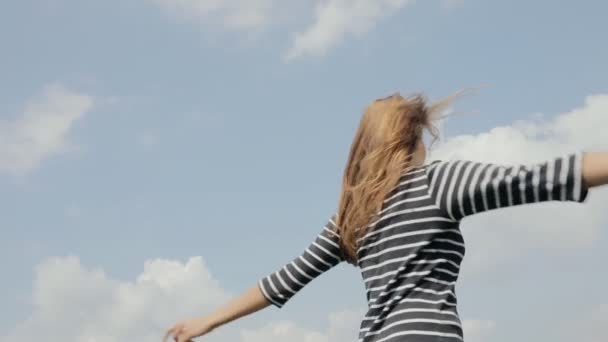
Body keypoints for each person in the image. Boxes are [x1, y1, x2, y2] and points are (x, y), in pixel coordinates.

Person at [163, 93, 608, 342]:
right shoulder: (438, 182)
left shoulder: (352, 217)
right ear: (411, 141)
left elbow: (280, 281)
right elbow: (545, 176)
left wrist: (207, 320)